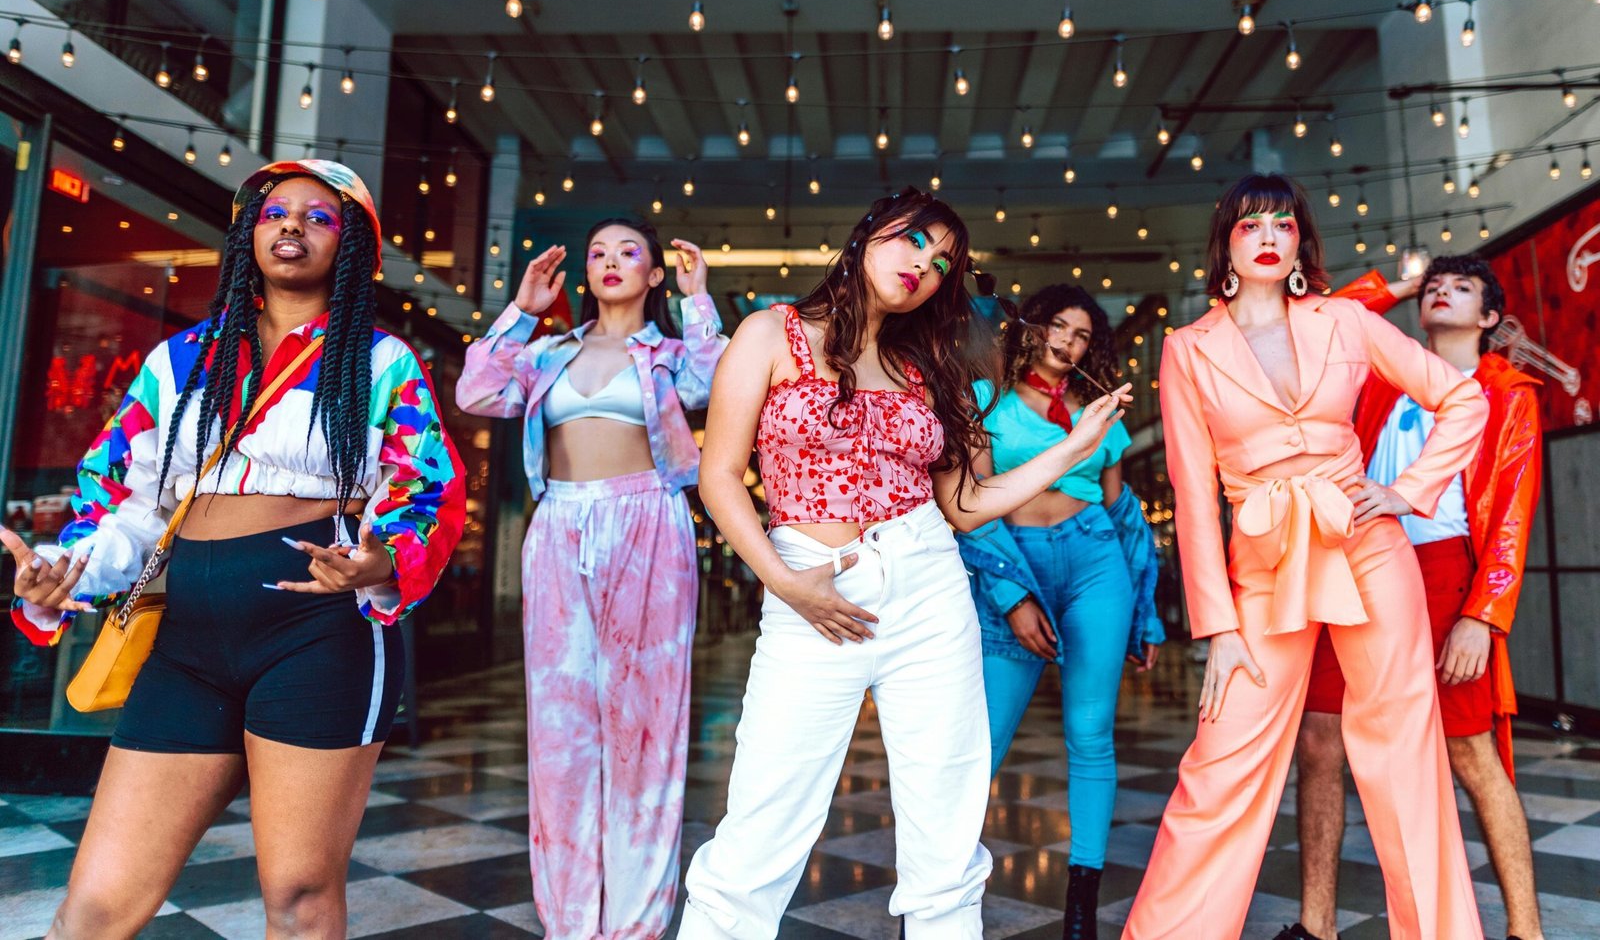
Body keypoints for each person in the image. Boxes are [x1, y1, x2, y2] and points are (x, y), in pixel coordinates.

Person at [3, 159, 467, 937]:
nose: (290, 225)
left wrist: (382, 558)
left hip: (317, 632)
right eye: (275, 212)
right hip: (187, 643)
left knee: (298, 900)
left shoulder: (380, 362)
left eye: (317, 217)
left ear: (351, 247)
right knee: (93, 906)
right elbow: (125, 500)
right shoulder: (179, 361)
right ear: (249, 234)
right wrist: (66, 571)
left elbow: (429, 491)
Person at [677, 187, 1132, 939]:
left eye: (942, 259)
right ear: (866, 236)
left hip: (926, 582)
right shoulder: (769, 333)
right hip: (810, 585)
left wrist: (1073, 448)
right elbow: (718, 475)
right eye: (913, 239)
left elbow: (965, 502)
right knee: (763, 821)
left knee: (947, 830)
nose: (923, 262)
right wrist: (785, 582)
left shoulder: (927, 363)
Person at [1121, 173, 1489, 939]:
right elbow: (1193, 496)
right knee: (1222, 760)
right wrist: (1216, 627)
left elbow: (1463, 398)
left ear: (1298, 243)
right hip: (1263, 567)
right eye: (1250, 223)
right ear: (1225, 242)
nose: (1267, 235)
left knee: (1404, 755)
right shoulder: (1190, 349)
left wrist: (1406, 491)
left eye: (1282, 224)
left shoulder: (1345, 322)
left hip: (1367, 544)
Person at [456, 217, 725, 940]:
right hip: (558, 529)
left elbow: (718, 383)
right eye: (597, 251)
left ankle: (633, 925)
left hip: (648, 523)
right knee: (561, 731)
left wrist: (701, 301)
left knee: (646, 731)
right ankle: (570, 922)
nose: (610, 261)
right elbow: (475, 391)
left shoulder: (669, 352)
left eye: (628, 251)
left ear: (655, 274)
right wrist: (522, 310)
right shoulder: (548, 352)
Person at [1280, 257, 1543, 940]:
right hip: (1357, 563)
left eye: (1461, 287)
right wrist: (1391, 285)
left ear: (1489, 318)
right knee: (1319, 736)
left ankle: (1526, 929)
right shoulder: (1379, 380)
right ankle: (1315, 926)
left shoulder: (1508, 392)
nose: (1439, 292)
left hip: (1445, 574)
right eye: (1432, 286)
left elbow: (1512, 512)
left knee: (1470, 753)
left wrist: (1482, 615)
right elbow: (1319, 318)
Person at [957, 283, 1165, 936]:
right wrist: (1011, 595)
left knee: (1091, 733)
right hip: (1012, 561)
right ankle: (945, 889)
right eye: (1060, 327)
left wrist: (1147, 613)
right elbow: (971, 505)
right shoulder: (986, 400)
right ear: (1036, 327)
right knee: (981, 742)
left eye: (1082, 334)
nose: (1068, 342)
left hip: (1094, 562)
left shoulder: (1101, 414)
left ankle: (1081, 904)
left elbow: (1123, 513)